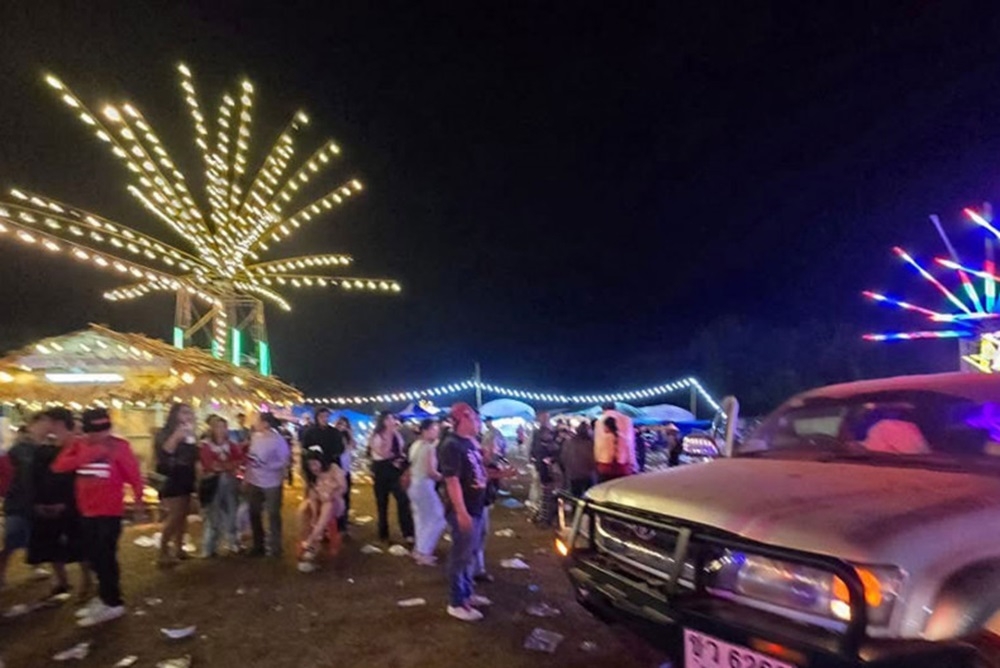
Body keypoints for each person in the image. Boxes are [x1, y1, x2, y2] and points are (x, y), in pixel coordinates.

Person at [52, 408, 143, 627]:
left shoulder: (120, 446)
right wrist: (90, 453)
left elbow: (134, 475)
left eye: (103, 430)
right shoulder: (79, 444)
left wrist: (139, 502)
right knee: (93, 557)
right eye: (94, 431)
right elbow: (59, 466)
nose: (99, 435)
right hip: (86, 512)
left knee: (105, 558)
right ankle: (104, 597)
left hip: (109, 513)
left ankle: (113, 602)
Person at [27, 407, 90, 601]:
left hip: (71, 503)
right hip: (45, 501)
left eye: (47, 421)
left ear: (57, 423)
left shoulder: (75, 443)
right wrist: (37, 502)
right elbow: (34, 476)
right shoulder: (40, 446)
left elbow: (78, 477)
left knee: (79, 545)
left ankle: (87, 582)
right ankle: (62, 581)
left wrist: (66, 503)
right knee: (51, 544)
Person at [440, 403, 491, 622]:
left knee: (470, 554)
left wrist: (499, 473)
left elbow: (477, 472)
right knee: (460, 556)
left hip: (477, 506)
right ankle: (456, 602)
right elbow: (452, 481)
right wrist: (461, 512)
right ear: (461, 420)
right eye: (474, 420)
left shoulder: (470, 442)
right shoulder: (451, 445)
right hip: (465, 509)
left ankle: (468, 593)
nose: (478, 423)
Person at [153, 403, 200, 568]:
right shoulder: (166, 433)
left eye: (190, 412)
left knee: (183, 514)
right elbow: (165, 452)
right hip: (172, 477)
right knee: (175, 515)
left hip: (186, 476)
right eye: (185, 412)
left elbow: (194, 455)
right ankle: (163, 551)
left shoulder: (190, 433)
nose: (189, 415)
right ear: (175, 415)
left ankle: (179, 549)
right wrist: (177, 436)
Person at [0, 414, 41, 591]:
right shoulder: (16, 451)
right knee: (11, 540)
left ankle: (35, 566)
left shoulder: (37, 450)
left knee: (31, 538)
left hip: (25, 502)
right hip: (18, 503)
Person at [245, 412, 291, 558]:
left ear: (265, 423)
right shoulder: (255, 437)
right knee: (254, 512)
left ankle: (275, 546)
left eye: (257, 421)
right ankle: (258, 545)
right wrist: (247, 474)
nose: (254, 423)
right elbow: (251, 458)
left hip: (272, 482)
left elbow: (285, 460)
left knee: (273, 514)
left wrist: (269, 466)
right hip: (254, 480)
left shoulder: (278, 440)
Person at [199, 415, 243, 557]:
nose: (221, 430)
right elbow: (211, 465)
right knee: (213, 515)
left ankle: (232, 542)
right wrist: (228, 466)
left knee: (232, 512)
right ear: (212, 428)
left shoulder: (231, 444)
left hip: (229, 482)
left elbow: (239, 460)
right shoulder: (206, 445)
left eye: (224, 427)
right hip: (213, 484)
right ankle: (210, 547)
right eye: (218, 427)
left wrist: (224, 466)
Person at [368, 412, 414, 544]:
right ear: (382, 421)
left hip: (394, 470)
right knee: (382, 503)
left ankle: (407, 532)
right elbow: (383, 453)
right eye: (388, 418)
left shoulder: (397, 435)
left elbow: (400, 451)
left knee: (403, 499)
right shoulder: (377, 436)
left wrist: (400, 459)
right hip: (381, 470)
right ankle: (383, 533)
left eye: (392, 418)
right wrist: (389, 435)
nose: (392, 420)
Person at [297, 450, 346, 571]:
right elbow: (312, 497)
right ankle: (311, 538)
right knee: (304, 508)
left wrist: (332, 494)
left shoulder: (333, 469)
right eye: (310, 465)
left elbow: (343, 487)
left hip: (335, 501)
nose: (313, 467)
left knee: (328, 505)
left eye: (315, 463)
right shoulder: (312, 477)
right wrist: (314, 514)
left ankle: (311, 541)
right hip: (320, 502)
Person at [407, 419, 446, 566]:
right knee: (438, 517)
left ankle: (419, 549)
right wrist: (444, 478)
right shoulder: (428, 447)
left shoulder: (415, 445)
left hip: (414, 484)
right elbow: (431, 471)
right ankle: (424, 551)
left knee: (421, 519)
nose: (437, 432)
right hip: (424, 485)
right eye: (434, 429)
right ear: (426, 430)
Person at [300, 408, 345, 489]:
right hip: (315, 467)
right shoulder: (309, 432)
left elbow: (340, 448)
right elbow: (305, 448)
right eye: (322, 416)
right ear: (317, 417)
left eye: (326, 416)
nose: (324, 419)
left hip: (331, 465)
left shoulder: (334, 432)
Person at [529, 412, 559, 525]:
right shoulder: (538, 433)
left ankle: (545, 516)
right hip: (543, 467)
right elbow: (534, 448)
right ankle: (544, 516)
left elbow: (556, 450)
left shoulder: (552, 433)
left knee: (547, 493)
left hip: (549, 468)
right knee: (544, 492)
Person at [594, 402, 636, 482]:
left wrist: (597, 461)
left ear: (602, 409)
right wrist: (632, 462)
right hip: (623, 462)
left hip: (605, 462)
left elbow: (598, 445)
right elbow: (630, 443)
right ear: (615, 408)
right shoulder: (626, 420)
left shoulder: (599, 422)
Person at [561, 421, 596, 497]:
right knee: (590, 495)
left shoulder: (568, 442)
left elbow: (564, 458)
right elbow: (593, 459)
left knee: (576, 495)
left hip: (574, 474)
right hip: (588, 474)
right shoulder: (590, 443)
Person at [334, 416, 355, 532]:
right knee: (337, 496)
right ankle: (338, 521)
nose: (342, 427)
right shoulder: (333, 437)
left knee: (346, 496)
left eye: (345, 425)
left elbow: (353, 446)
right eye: (340, 424)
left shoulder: (347, 437)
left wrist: (349, 434)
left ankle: (344, 520)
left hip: (346, 469)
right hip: (337, 470)